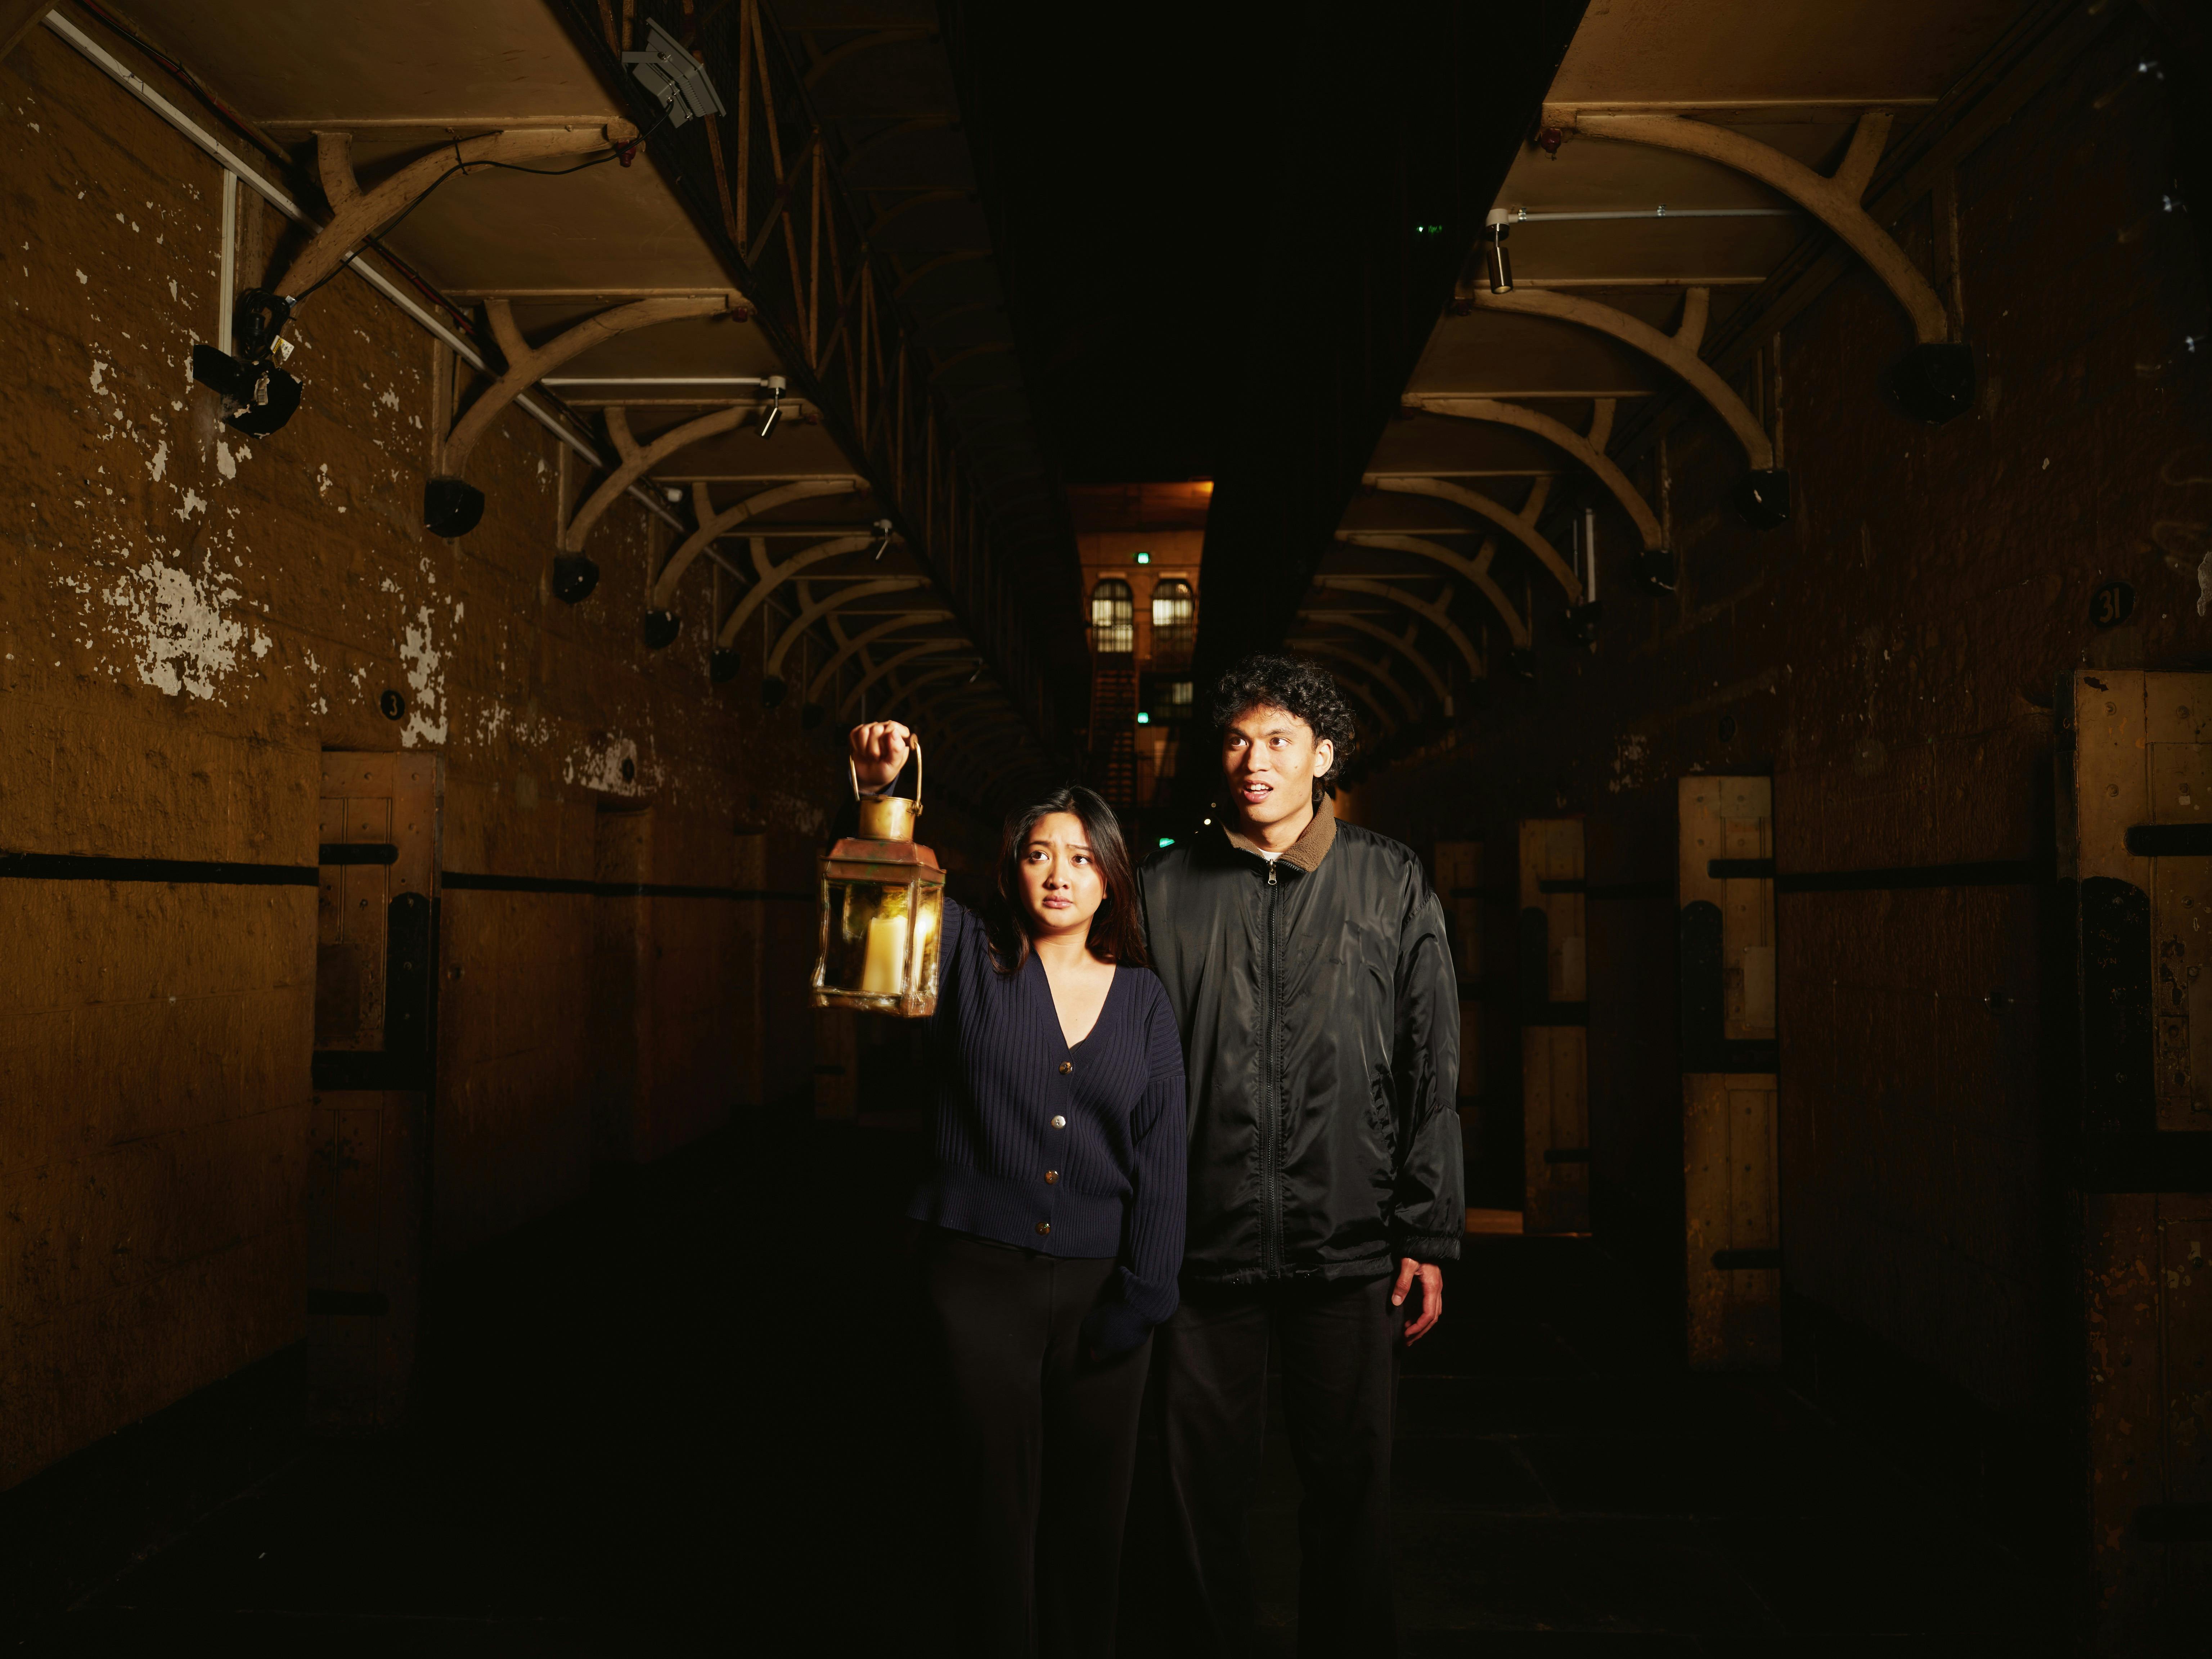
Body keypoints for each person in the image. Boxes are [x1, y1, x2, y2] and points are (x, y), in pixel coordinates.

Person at [1133, 654, 1462, 1657]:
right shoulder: (1161, 891)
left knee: (1352, 1493)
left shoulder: (1389, 879)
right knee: (1196, 1501)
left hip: (1350, 1242)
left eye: (1278, 741)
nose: (1254, 760)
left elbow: (1429, 1060)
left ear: (1322, 756)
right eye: (1236, 740)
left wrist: (1428, 1227)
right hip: (1202, 1248)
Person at [848, 721, 1187, 1659]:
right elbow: (876, 959)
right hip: (976, 1284)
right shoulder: (966, 954)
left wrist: (1148, 1294)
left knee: (1094, 1521)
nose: (1059, 873)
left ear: (1112, 876)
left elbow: (1163, 1160)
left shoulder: (1146, 1001)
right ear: (1012, 869)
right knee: (988, 1513)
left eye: (1082, 857)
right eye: (1039, 854)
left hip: (1103, 1294)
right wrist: (885, 799)